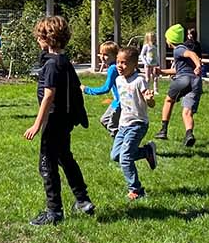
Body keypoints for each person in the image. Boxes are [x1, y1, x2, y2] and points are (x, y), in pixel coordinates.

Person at [23, 15, 94, 226]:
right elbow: (76, 88)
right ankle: (83, 200)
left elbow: (49, 95)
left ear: (48, 39)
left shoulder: (53, 64)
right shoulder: (64, 61)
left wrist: (37, 124)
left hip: (53, 120)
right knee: (65, 158)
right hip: (65, 120)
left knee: (47, 164)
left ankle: (54, 211)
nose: (37, 40)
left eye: (39, 37)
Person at [109, 46, 158, 200]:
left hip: (138, 124)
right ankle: (146, 152)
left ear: (134, 64)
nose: (119, 65)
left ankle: (136, 190)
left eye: (124, 63)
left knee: (125, 158)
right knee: (115, 155)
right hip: (123, 125)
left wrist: (149, 99)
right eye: (118, 62)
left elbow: (150, 103)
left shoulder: (139, 80)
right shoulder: (118, 80)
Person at [154, 24, 203, 147]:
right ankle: (189, 134)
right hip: (195, 81)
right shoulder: (181, 51)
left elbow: (192, 55)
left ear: (170, 39)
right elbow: (180, 69)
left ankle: (163, 130)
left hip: (183, 80)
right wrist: (162, 72)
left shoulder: (179, 49)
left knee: (169, 101)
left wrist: (198, 65)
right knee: (187, 112)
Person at [82, 41, 123, 134]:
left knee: (113, 126)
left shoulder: (113, 68)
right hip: (116, 101)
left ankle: (124, 146)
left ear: (115, 55)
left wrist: (86, 90)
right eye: (101, 54)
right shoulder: (113, 67)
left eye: (106, 55)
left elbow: (106, 88)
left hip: (120, 102)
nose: (102, 57)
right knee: (105, 120)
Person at [138, 31, 158, 96]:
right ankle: (147, 89)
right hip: (148, 64)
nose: (154, 39)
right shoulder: (146, 46)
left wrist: (158, 62)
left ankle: (156, 90)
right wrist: (145, 62)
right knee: (147, 78)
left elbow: (157, 55)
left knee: (155, 77)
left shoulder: (155, 46)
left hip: (154, 63)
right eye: (152, 37)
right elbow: (142, 55)